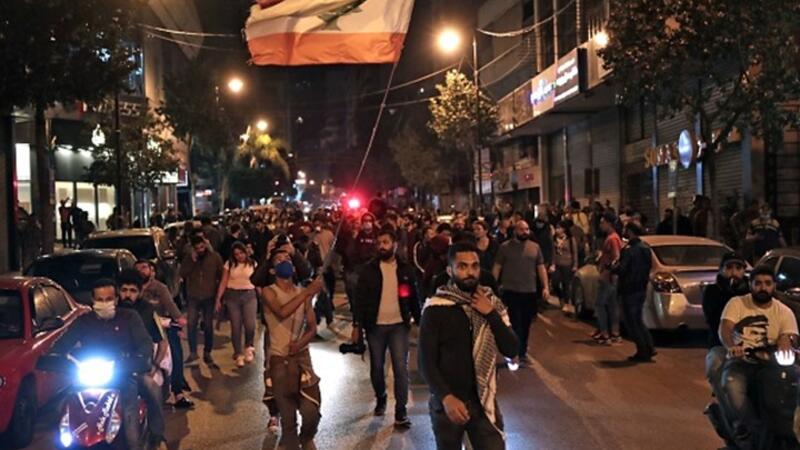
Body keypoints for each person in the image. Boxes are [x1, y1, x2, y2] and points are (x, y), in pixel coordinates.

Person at [419, 242, 518, 450]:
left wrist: (490, 313)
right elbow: (425, 362)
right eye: (462, 266)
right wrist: (446, 397)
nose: (470, 272)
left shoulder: (491, 303)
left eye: (474, 266)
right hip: (448, 403)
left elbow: (511, 348)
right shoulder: (436, 307)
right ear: (450, 270)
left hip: (483, 402)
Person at [51, 279, 154, 450]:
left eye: (109, 299)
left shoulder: (129, 317)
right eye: (100, 299)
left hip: (122, 376)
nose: (104, 303)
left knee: (130, 413)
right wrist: (55, 357)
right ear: (92, 300)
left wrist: (140, 358)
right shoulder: (83, 321)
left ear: (116, 299)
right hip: (85, 379)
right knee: (61, 411)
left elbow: (145, 343)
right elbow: (61, 346)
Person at [716, 266, 798, 447]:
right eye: (758, 283)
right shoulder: (737, 303)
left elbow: (789, 335)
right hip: (741, 362)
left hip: (772, 365)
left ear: (774, 286)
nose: (763, 288)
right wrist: (732, 346)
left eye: (767, 283)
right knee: (731, 385)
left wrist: (786, 343)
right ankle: (751, 430)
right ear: (751, 285)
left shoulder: (784, 311)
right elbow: (725, 328)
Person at [353, 226, 420, 427]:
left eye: (386, 242)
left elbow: (413, 297)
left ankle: (400, 410)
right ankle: (381, 396)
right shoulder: (369, 270)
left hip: (399, 325)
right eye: (379, 243)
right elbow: (360, 299)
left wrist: (419, 320)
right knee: (377, 367)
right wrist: (357, 325)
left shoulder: (405, 269)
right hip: (375, 326)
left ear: (394, 245)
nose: (382, 246)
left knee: (400, 368)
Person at [262, 250, 324, 450]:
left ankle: (306, 437)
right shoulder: (268, 292)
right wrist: (307, 292)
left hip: (302, 358)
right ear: (272, 270)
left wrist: (300, 343)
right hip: (279, 360)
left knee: (311, 410)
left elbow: (312, 327)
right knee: (288, 420)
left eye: (288, 259)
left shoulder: (302, 293)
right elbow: (282, 312)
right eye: (279, 260)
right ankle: (290, 442)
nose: (285, 262)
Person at [117, 270, 168, 449]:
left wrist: (154, 365)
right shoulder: (111, 310)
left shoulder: (148, 311)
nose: (128, 294)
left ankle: (157, 434)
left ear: (139, 292)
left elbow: (162, 342)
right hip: (113, 368)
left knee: (153, 390)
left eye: (132, 290)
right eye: (124, 290)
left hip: (139, 368)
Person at [136, 259, 193, 409]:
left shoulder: (160, 288)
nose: (141, 271)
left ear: (152, 271)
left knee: (175, 352)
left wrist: (179, 320)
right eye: (138, 268)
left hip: (162, 326)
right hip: (139, 328)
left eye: (144, 267)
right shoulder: (132, 289)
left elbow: (170, 304)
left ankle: (178, 392)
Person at [492, 220, 549, 365]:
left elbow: (541, 268)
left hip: (529, 291)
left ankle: (522, 351)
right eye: (522, 229)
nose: (525, 232)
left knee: (526, 323)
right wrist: (493, 285)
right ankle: (515, 352)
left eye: (527, 229)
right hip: (511, 290)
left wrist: (545, 286)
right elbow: (497, 267)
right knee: (515, 322)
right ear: (515, 231)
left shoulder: (535, 247)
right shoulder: (505, 247)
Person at [702, 252, 749, 392]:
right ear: (721, 269)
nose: (734, 272)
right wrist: (729, 292)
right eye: (729, 268)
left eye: (738, 268)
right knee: (716, 366)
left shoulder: (751, 291)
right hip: (721, 344)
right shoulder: (712, 291)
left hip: (750, 345)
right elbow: (712, 319)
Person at [613, 222, 656, 362]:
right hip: (640, 288)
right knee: (638, 319)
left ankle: (643, 350)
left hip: (629, 289)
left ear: (630, 231)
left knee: (632, 321)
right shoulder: (645, 248)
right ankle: (649, 348)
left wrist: (612, 268)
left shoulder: (630, 250)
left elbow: (622, 269)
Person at [180, 235, 224, 365]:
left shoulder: (214, 257)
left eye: (202, 247)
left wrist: (219, 296)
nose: (200, 250)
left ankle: (207, 352)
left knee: (208, 325)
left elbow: (221, 274)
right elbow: (182, 273)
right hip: (193, 296)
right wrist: (192, 261)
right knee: (191, 324)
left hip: (209, 296)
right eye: (197, 248)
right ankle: (193, 352)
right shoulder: (189, 259)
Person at [214, 241, 258, 368]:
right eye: (236, 254)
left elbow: (258, 281)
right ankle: (238, 353)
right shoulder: (229, 264)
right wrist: (218, 298)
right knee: (236, 325)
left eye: (241, 253)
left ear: (245, 252)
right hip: (232, 296)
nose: (239, 256)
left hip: (249, 295)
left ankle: (249, 346)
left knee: (250, 324)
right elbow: (223, 281)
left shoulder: (253, 263)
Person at [592, 213, 623, 345]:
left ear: (609, 223)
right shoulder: (612, 238)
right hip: (609, 276)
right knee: (611, 305)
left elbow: (616, 257)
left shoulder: (613, 238)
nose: (601, 225)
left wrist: (608, 270)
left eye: (602, 222)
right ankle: (613, 333)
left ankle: (606, 334)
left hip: (608, 277)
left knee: (601, 304)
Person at [552, 220, 579, 315]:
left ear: (564, 229)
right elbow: (552, 252)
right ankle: (561, 298)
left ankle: (567, 303)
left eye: (559, 228)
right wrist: (552, 263)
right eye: (556, 228)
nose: (557, 230)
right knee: (555, 283)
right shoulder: (554, 239)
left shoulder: (570, 239)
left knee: (566, 284)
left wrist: (575, 265)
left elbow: (574, 252)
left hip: (567, 264)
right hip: (557, 264)